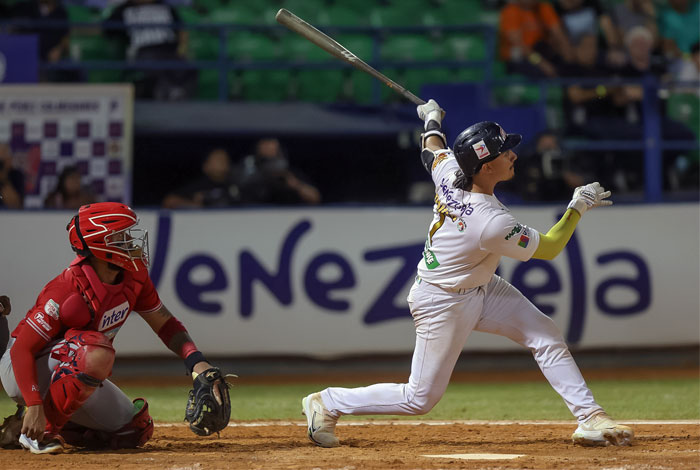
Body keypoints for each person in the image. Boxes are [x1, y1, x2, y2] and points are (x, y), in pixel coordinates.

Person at [301, 99, 634, 449]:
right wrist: (577, 206)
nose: (513, 156)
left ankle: (590, 417)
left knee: (545, 334)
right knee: (419, 399)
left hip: (480, 287)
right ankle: (328, 402)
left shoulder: (451, 171)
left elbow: (431, 149)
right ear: (487, 167)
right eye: (505, 152)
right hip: (442, 301)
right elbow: (549, 248)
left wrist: (431, 118)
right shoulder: (490, 222)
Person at [0, 202, 230, 453]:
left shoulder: (135, 276)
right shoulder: (66, 288)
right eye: (121, 237)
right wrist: (34, 403)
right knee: (94, 350)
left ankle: (20, 427)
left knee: (134, 428)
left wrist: (197, 362)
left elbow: (165, 324)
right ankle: (42, 431)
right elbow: (22, 349)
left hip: (72, 364)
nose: (132, 243)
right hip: (20, 370)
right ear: (100, 244)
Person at [105, 0, 195, 100]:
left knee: (187, 66)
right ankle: (168, 95)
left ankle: (179, 95)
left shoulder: (163, 6)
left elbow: (181, 28)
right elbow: (106, 30)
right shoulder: (123, 9)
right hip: (143, 51)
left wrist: (183, 48)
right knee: (155, 65)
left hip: (169, 50)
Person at [498, 0, 575, 78]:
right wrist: (541, 63)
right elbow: (521, 47)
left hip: (541, 52)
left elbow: (559, 34)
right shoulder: (510, 12)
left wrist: (568, 53)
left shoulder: (543, 8)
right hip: (521, 58)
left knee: (570, 68)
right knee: (542, 73)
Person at [238, 137, 321, 205]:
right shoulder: (252, 173)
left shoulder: (289, 174)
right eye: (265, 143)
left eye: (271, 142)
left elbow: (315, 198)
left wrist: (296, 185)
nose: (268, 146)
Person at [162, 148, 243, 209]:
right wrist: (197, 207)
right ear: (206, 166)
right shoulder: (198, 186)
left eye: (226, 159)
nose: (224, 162)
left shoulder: (235, 186)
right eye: (219, 159)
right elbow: (169, 201)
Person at [0, 143, 25, 210]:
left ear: (9, 159)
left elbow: (15, 204)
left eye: (1, 161)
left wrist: (4, 177)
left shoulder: (17, 175)